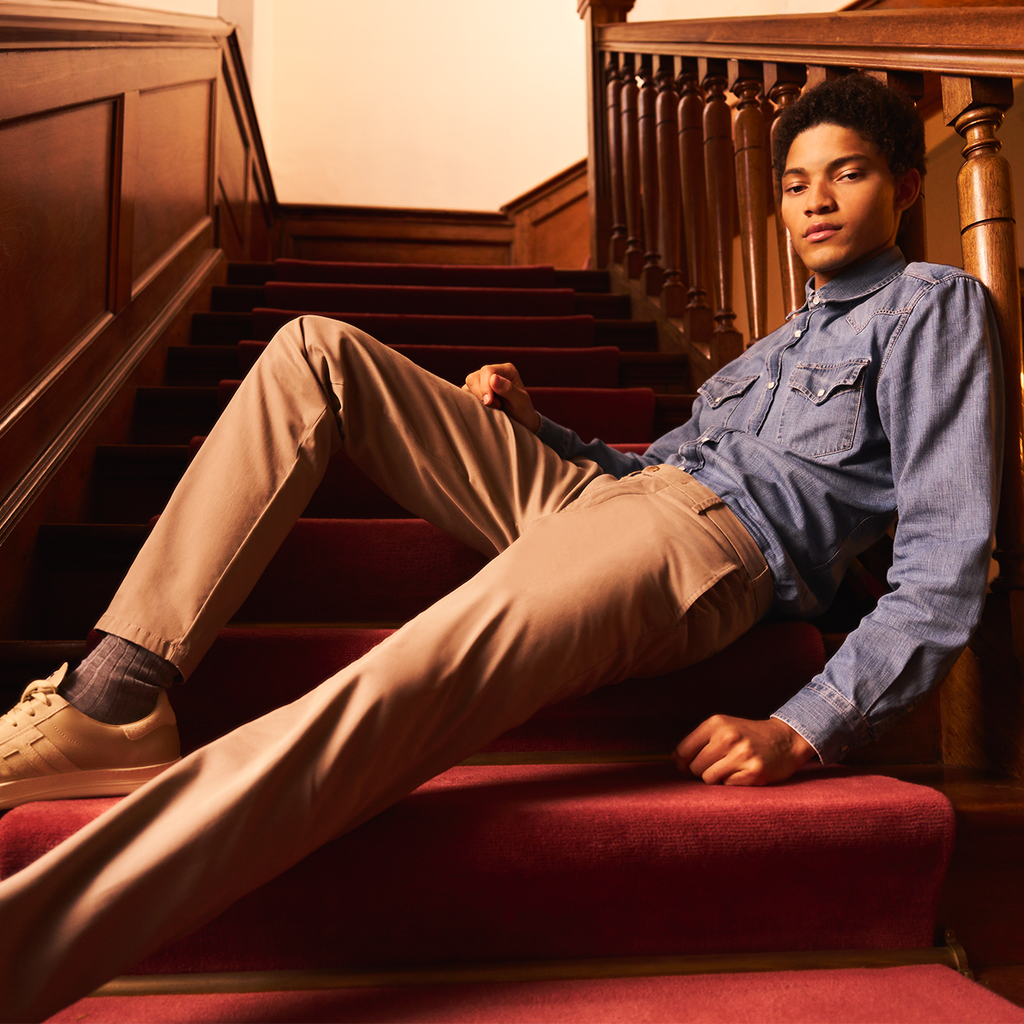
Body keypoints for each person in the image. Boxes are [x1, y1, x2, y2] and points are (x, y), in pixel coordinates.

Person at [0, 73, 1001, 1023]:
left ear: (906, 187)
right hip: (611, 496)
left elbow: (943, 565)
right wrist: (536, 425)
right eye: (793, 182)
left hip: (698, 546)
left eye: (848, 172)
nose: (814, 199)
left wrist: (804, 725)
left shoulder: (934, 307)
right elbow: (640, 466)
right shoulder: (770, 345)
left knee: (381, 688)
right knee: (316, 351)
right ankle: (118, 691)